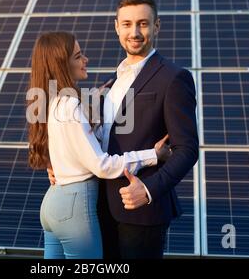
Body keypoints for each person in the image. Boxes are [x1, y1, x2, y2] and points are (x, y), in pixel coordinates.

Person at [48, 0, 199, 259]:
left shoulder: (174, 78)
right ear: (117, 27)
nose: (135, 32)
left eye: (143, 23)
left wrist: (149, 189)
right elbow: (88, 138)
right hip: (99, 208)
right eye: (127, 24)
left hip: (141, 212)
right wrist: (61, 166)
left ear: (156, 26)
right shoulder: (110, 82)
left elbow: (187, 149)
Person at [27, 31, 171, 259]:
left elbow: (71, 147)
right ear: (62, 64)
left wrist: (93, 108)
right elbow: (102, 165)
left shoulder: (52, 102)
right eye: (78, 56)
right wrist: (152, 154)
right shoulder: (71, 105)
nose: (86, 59)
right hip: (74, 209)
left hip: (52, 204)